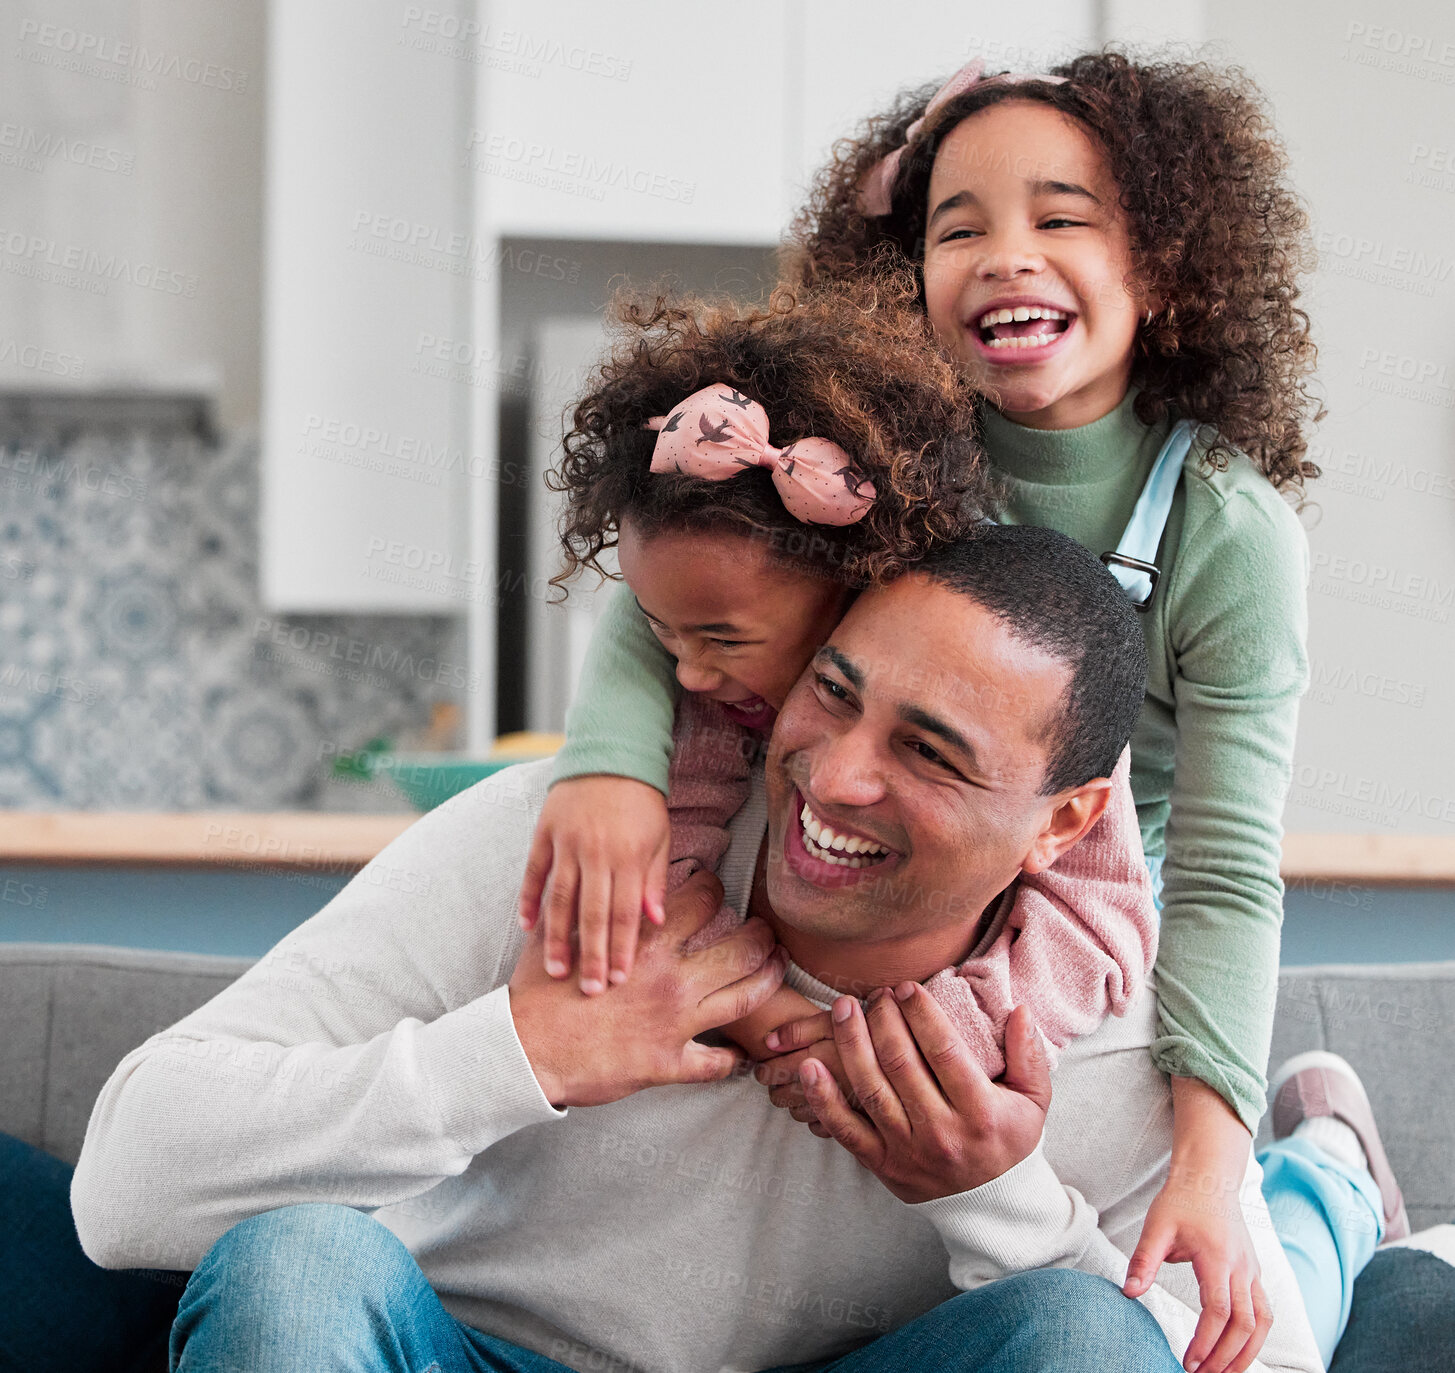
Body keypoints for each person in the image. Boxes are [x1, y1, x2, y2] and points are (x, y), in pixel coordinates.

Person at [533, 49, 1388, 1365]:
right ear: (905, 276)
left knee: (1244, 1333)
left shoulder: (1227, 533)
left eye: (1058, 218)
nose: (1002, 254)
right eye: (955, 226)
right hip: (907, 878)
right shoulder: (869, 448)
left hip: (1095, 936)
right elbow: (696, 583)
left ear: (1158, 268)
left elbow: (1220, 875)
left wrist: (1210, 1159)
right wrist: (601, 764)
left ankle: (1321, 1166)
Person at [67, 523, 1323, 1373]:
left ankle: (1332, 1168)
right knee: (298, 1264)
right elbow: (125, 1184)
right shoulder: (580, 842)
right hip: (480, 1348)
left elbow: (1259, 1355)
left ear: (1064, 821)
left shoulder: (1095, 1015)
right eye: (832, 690)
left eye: (929, 752)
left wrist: (989, 1195)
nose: (833, 775)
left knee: (1083, 1331)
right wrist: (523, 1049)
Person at [521, 283, 1159, 1100]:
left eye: (719, 640)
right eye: (658, 631)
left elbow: (1096, 925)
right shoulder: (709, 697)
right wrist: (609, 766)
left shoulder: (1033, 687)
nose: (683, 673)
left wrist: (928, 1046)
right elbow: (662, 892)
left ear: (861, 591)